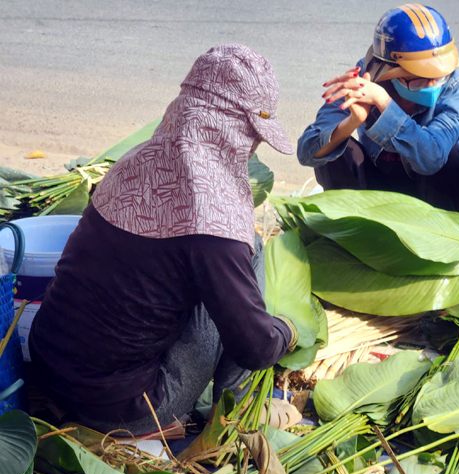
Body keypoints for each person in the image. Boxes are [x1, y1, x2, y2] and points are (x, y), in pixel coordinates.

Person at [29, 45, 298, 435]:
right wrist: (284, 331)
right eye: (252, 134)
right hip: (124, 407)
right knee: (250, 259)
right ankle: (235, 415)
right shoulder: (216, 230)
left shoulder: (132, 165)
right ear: (231, 131)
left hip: (48, 366)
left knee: (227, 269)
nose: (254, 147)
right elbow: (254, 349)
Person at [297, 4, 459, 212]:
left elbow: (431, 158)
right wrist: (352, 121)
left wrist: (384, 103)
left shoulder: (455, 87)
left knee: (451, 152)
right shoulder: (361, 80)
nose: (433, 85)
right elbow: (306, 152)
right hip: (377, 193)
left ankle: (444, 236)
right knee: (338, 149)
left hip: (435, 197)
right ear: (389, 69)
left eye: (439, 76)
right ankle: (354, 231)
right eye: (420, 80)